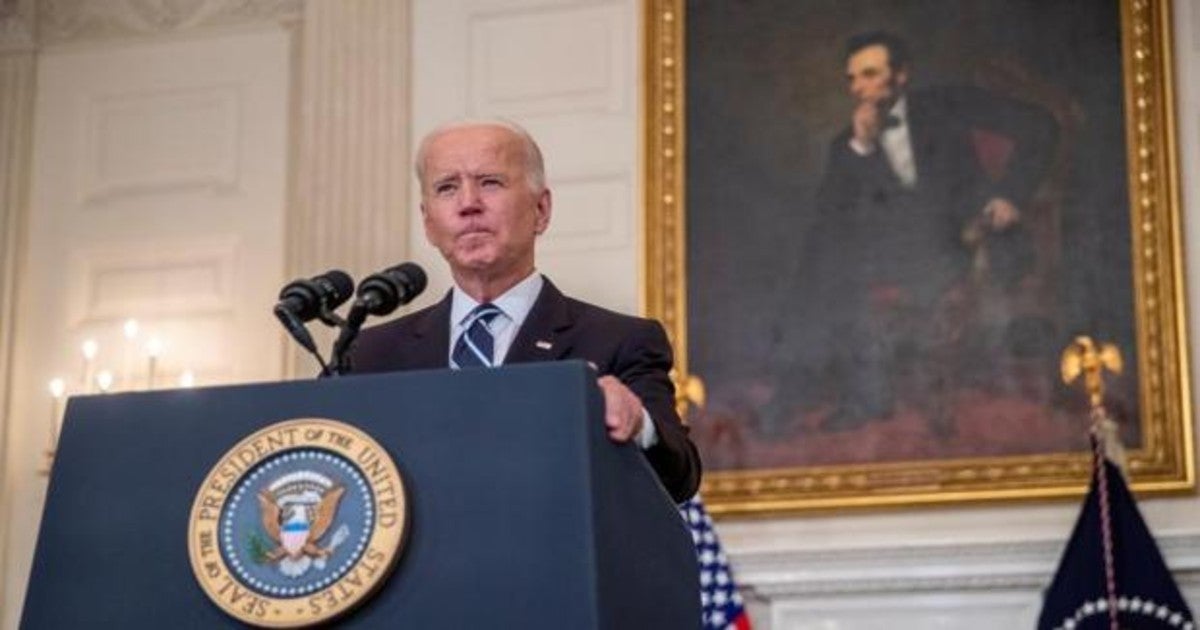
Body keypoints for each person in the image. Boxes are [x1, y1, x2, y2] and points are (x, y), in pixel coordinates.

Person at [348, 119, 701, 502]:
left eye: (490, 182)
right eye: (447, 187)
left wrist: (639, 424)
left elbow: (680, 477)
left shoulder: (619, 341)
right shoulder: (370, 356)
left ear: (541, 209)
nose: (468, 204)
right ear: (429, 222)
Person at [802, 31, 1058, 431]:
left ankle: (933, 395)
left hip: (966, 240)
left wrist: (1011, 195)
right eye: (852, 79)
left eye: (870, 74)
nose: (859, 88)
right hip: (892, 255)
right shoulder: (846, 145)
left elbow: (1040, 125)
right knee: (828, 266)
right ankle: (866, 398)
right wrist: (863, 148)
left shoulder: (950, 105)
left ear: (901, 75)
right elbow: (833, 217)